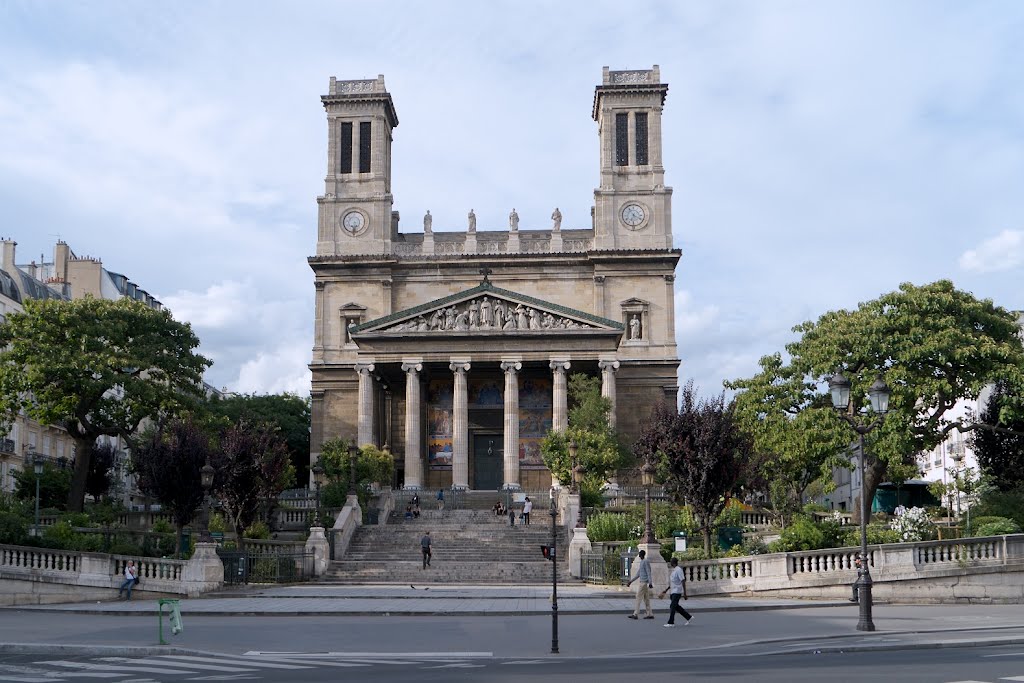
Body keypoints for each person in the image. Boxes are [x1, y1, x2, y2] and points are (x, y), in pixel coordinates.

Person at [659, 557, 693, 627]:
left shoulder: (678, 570)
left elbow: (683, 580)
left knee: (672, 606)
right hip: (673, 591)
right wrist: (666, 590)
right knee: (676, 606)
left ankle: (671, 622)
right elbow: (672, 582)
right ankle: (688, 617)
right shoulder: (674, 570)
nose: (670, 563)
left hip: (677, 591)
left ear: (673, 563)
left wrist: (685, 593)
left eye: (671, 561)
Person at [626, 549, 654, 619]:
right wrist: (631, 581)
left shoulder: (646, 562)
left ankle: (635, 614)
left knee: (638, 597)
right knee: (646, 598)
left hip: (644, 583)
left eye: (640, 554)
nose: (639, 555)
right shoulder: (642, 562)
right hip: (642, 582)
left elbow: (648, 572)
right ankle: (649, 613)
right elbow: (638, 574)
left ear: (642, 555)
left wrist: (650, 582)